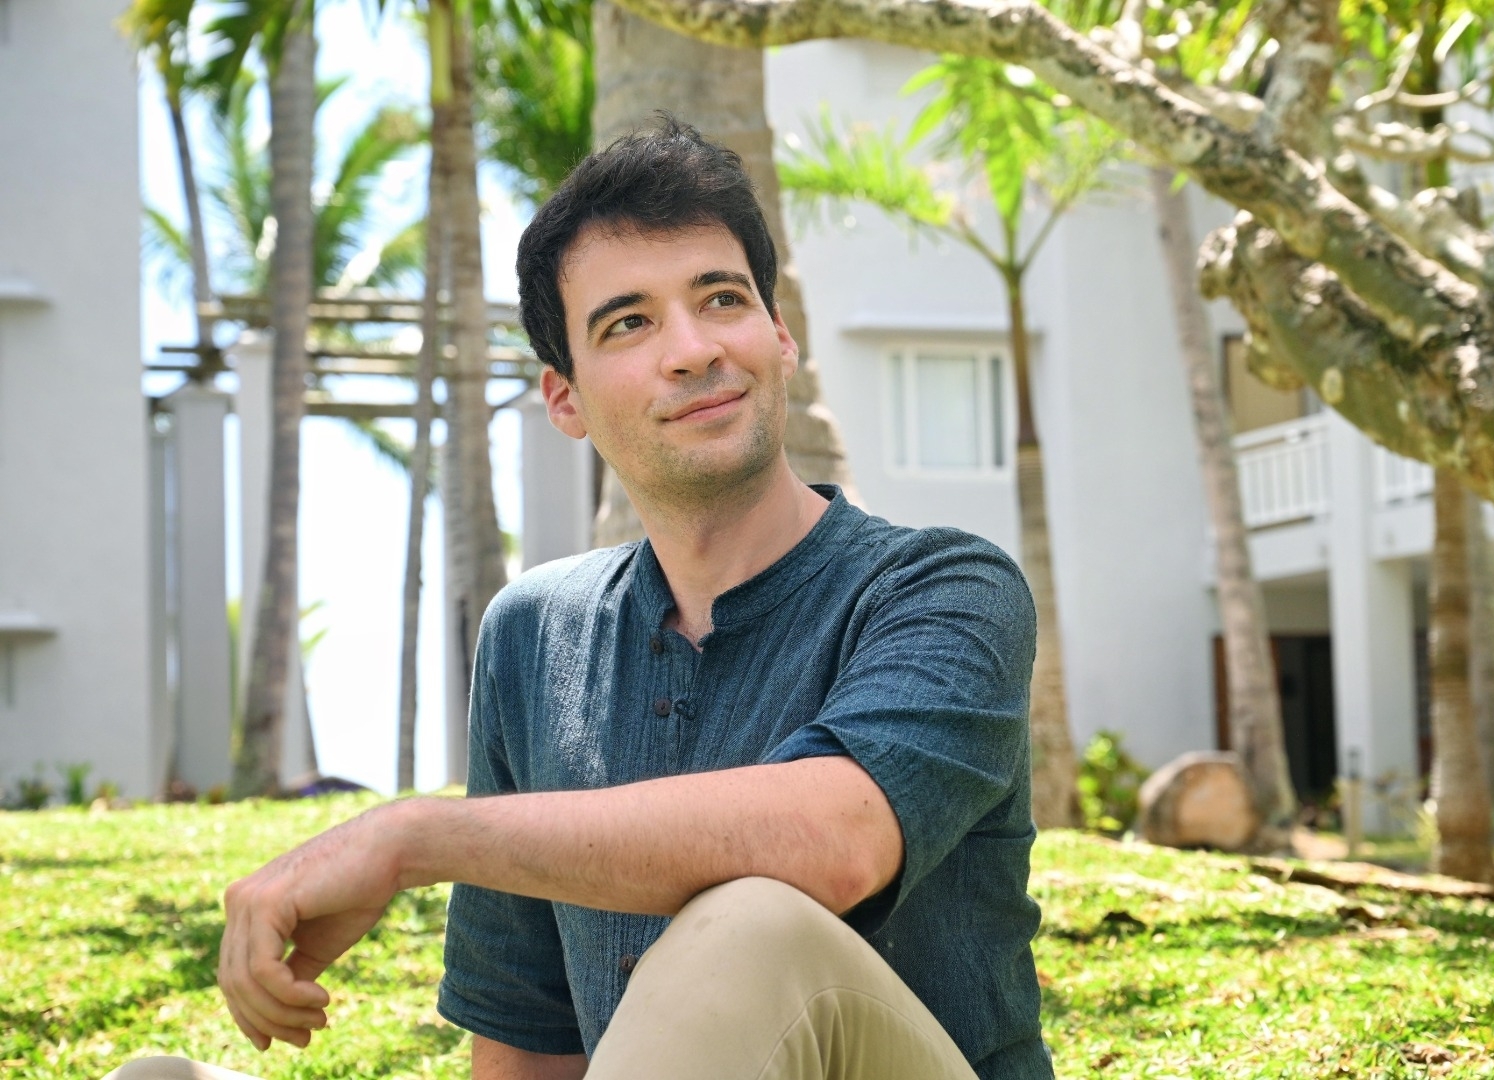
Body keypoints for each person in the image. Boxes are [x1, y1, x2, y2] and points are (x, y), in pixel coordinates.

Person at [105, 116, 1050, 1080]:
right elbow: (532, 1044)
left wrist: (411, 836)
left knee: (749, 918)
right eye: (628, 323)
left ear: (779, 337)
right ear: (564, 398)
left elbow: (835, 840)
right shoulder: (534, 634)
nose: (692, 349)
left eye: (721, 299)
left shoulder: (942, 589)